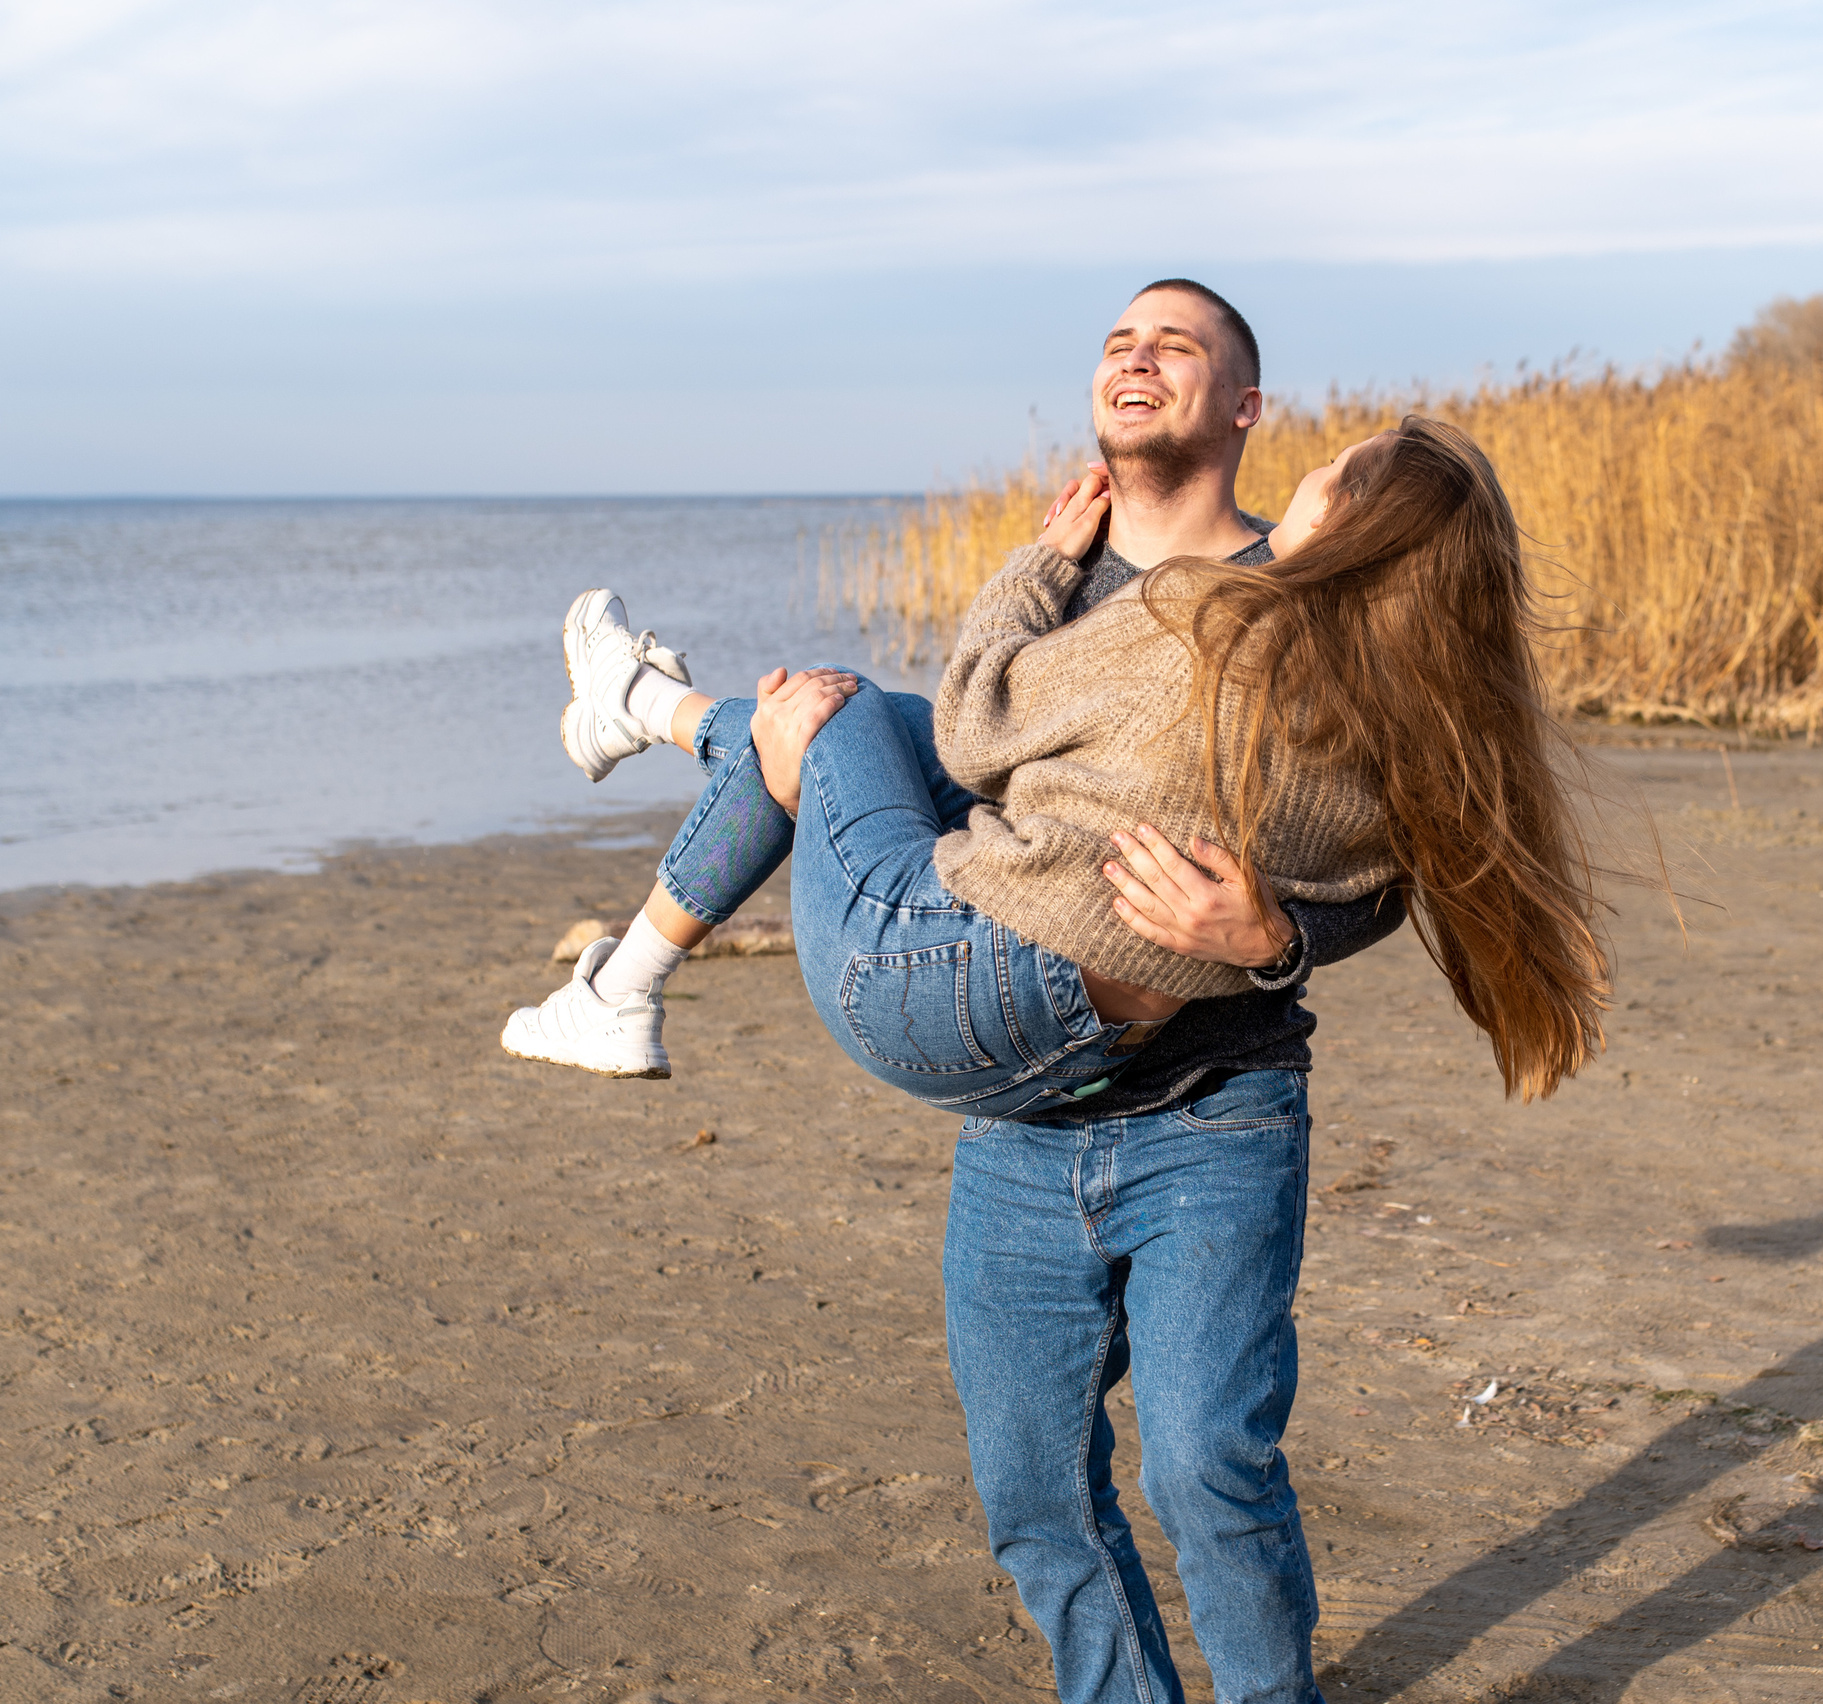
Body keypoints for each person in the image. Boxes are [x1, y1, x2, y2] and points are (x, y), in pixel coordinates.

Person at [502, 280, 1610, 1703]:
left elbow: (1384, 861)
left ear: (1245, 411)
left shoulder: (1288, 596)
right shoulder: (1084, 585)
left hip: (1213, 1115)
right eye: (1118, 341)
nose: (1135, 358)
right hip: (1024, 1126)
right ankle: (643, 858)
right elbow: (979, 773)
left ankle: (644, 771)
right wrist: (1029, 578)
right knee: (1034, 1496)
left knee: (1210, 1470)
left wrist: (1273, 936)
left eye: (1176, 345)